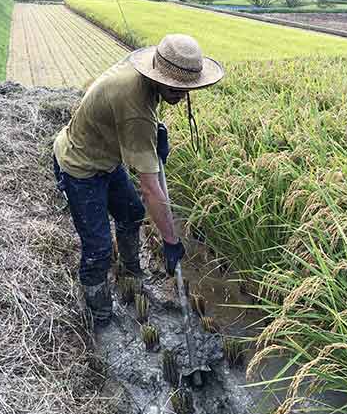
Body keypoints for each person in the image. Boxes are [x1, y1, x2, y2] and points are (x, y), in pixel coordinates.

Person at [53, 34, 225, 326]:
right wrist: (171, 240)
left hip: (107, 155)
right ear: (157, 74)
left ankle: (132, 273)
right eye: (174, 87)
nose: (180, 94)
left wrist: (156, 133)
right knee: (99, 248)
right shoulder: (134, 108)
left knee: (131, 213)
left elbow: (139, 114)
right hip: (80, 165)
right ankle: (101, 315)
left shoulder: (144, 80)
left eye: (185, 87)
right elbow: (150, 188)